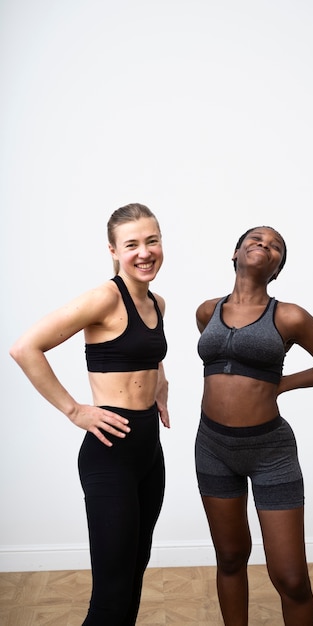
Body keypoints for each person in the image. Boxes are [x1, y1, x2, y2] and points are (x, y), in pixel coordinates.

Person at [9, 203, 170, 626]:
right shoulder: (104, 297)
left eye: (151, 240)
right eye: (132, 244)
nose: (144, 252)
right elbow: (25, 348)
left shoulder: (158, 303)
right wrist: (75, 410)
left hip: (149, 454)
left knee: (134, 574)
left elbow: (147, 354)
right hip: (110, 455)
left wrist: (160, 385)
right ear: (114, 250)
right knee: (111, 594)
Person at [195, 225, 313, 626]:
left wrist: (279, 385)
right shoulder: (207, 311)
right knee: (229, 558)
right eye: (256, 240)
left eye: (276, 246)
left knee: (291, 578)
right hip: (212, 447)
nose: (265, 245)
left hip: (269, 452)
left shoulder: (290, 315)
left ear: (276, 268)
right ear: (236, 252)